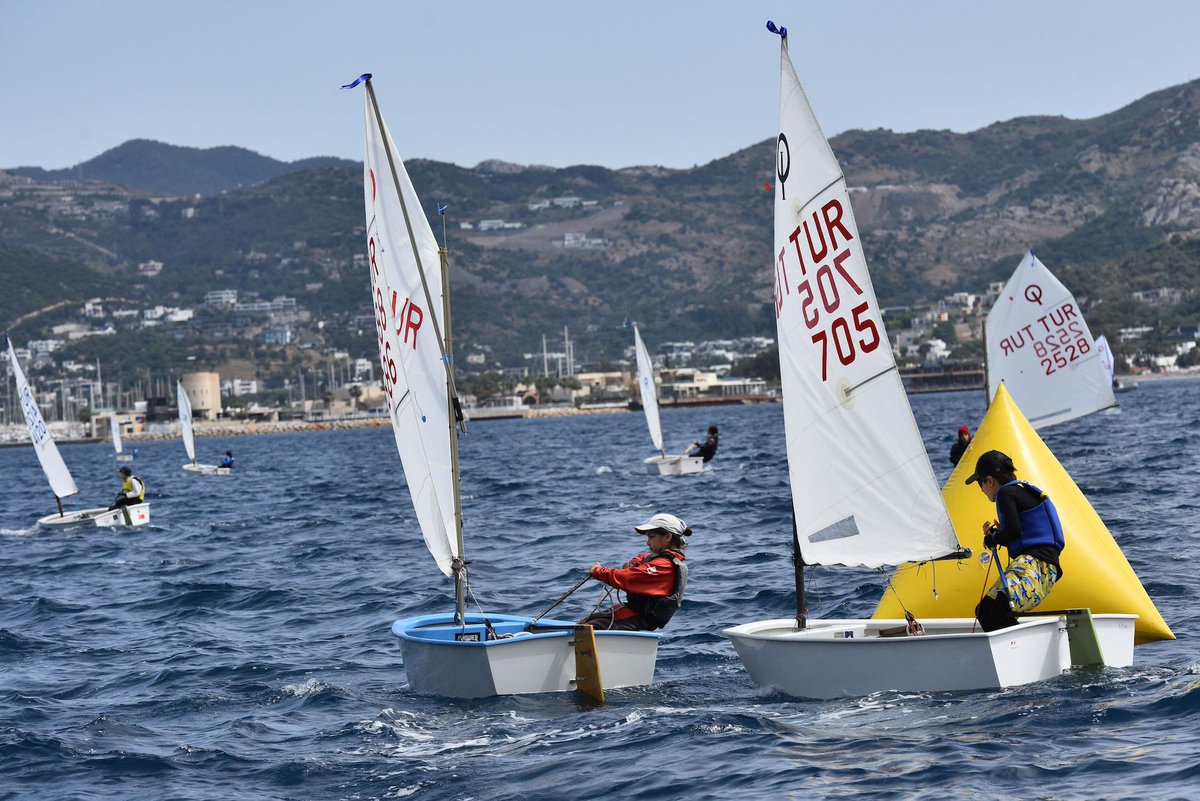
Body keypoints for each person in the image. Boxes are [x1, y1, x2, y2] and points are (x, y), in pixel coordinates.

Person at [966, 450, 1064, 631]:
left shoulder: (1005, 493)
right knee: (984, 610)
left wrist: (993, 538)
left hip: (1036, 564)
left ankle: (1021, 652)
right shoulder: (1021, 491)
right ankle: (1008, 653)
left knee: (997, 610)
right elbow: (1016, 531)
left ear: (989, 480)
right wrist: (998, 535)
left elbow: (1013, 530)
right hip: (1042, 567)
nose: (981, 489)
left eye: (981, 483)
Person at [580, 512, 692, 631]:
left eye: (651, 537)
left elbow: (628, 578)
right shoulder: (658, 559)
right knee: (583, 622)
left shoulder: (664, 565)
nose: (647, 542)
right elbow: (643, 557)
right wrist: (633, 563)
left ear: (668, 537)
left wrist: (598, 571)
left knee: (589, 628)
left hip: (642, 619)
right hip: (634, 611)